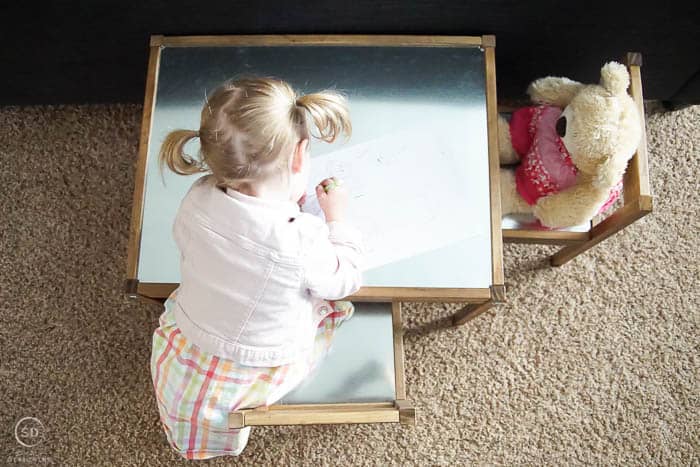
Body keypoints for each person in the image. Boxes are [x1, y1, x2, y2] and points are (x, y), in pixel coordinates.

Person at [149, 77, 364, 459]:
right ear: (300, 156)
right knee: (330, 310)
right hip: (261, 356)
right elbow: (343, 280)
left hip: (193, 327)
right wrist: (338, 219)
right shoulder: (302, 237)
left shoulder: (197, 196)